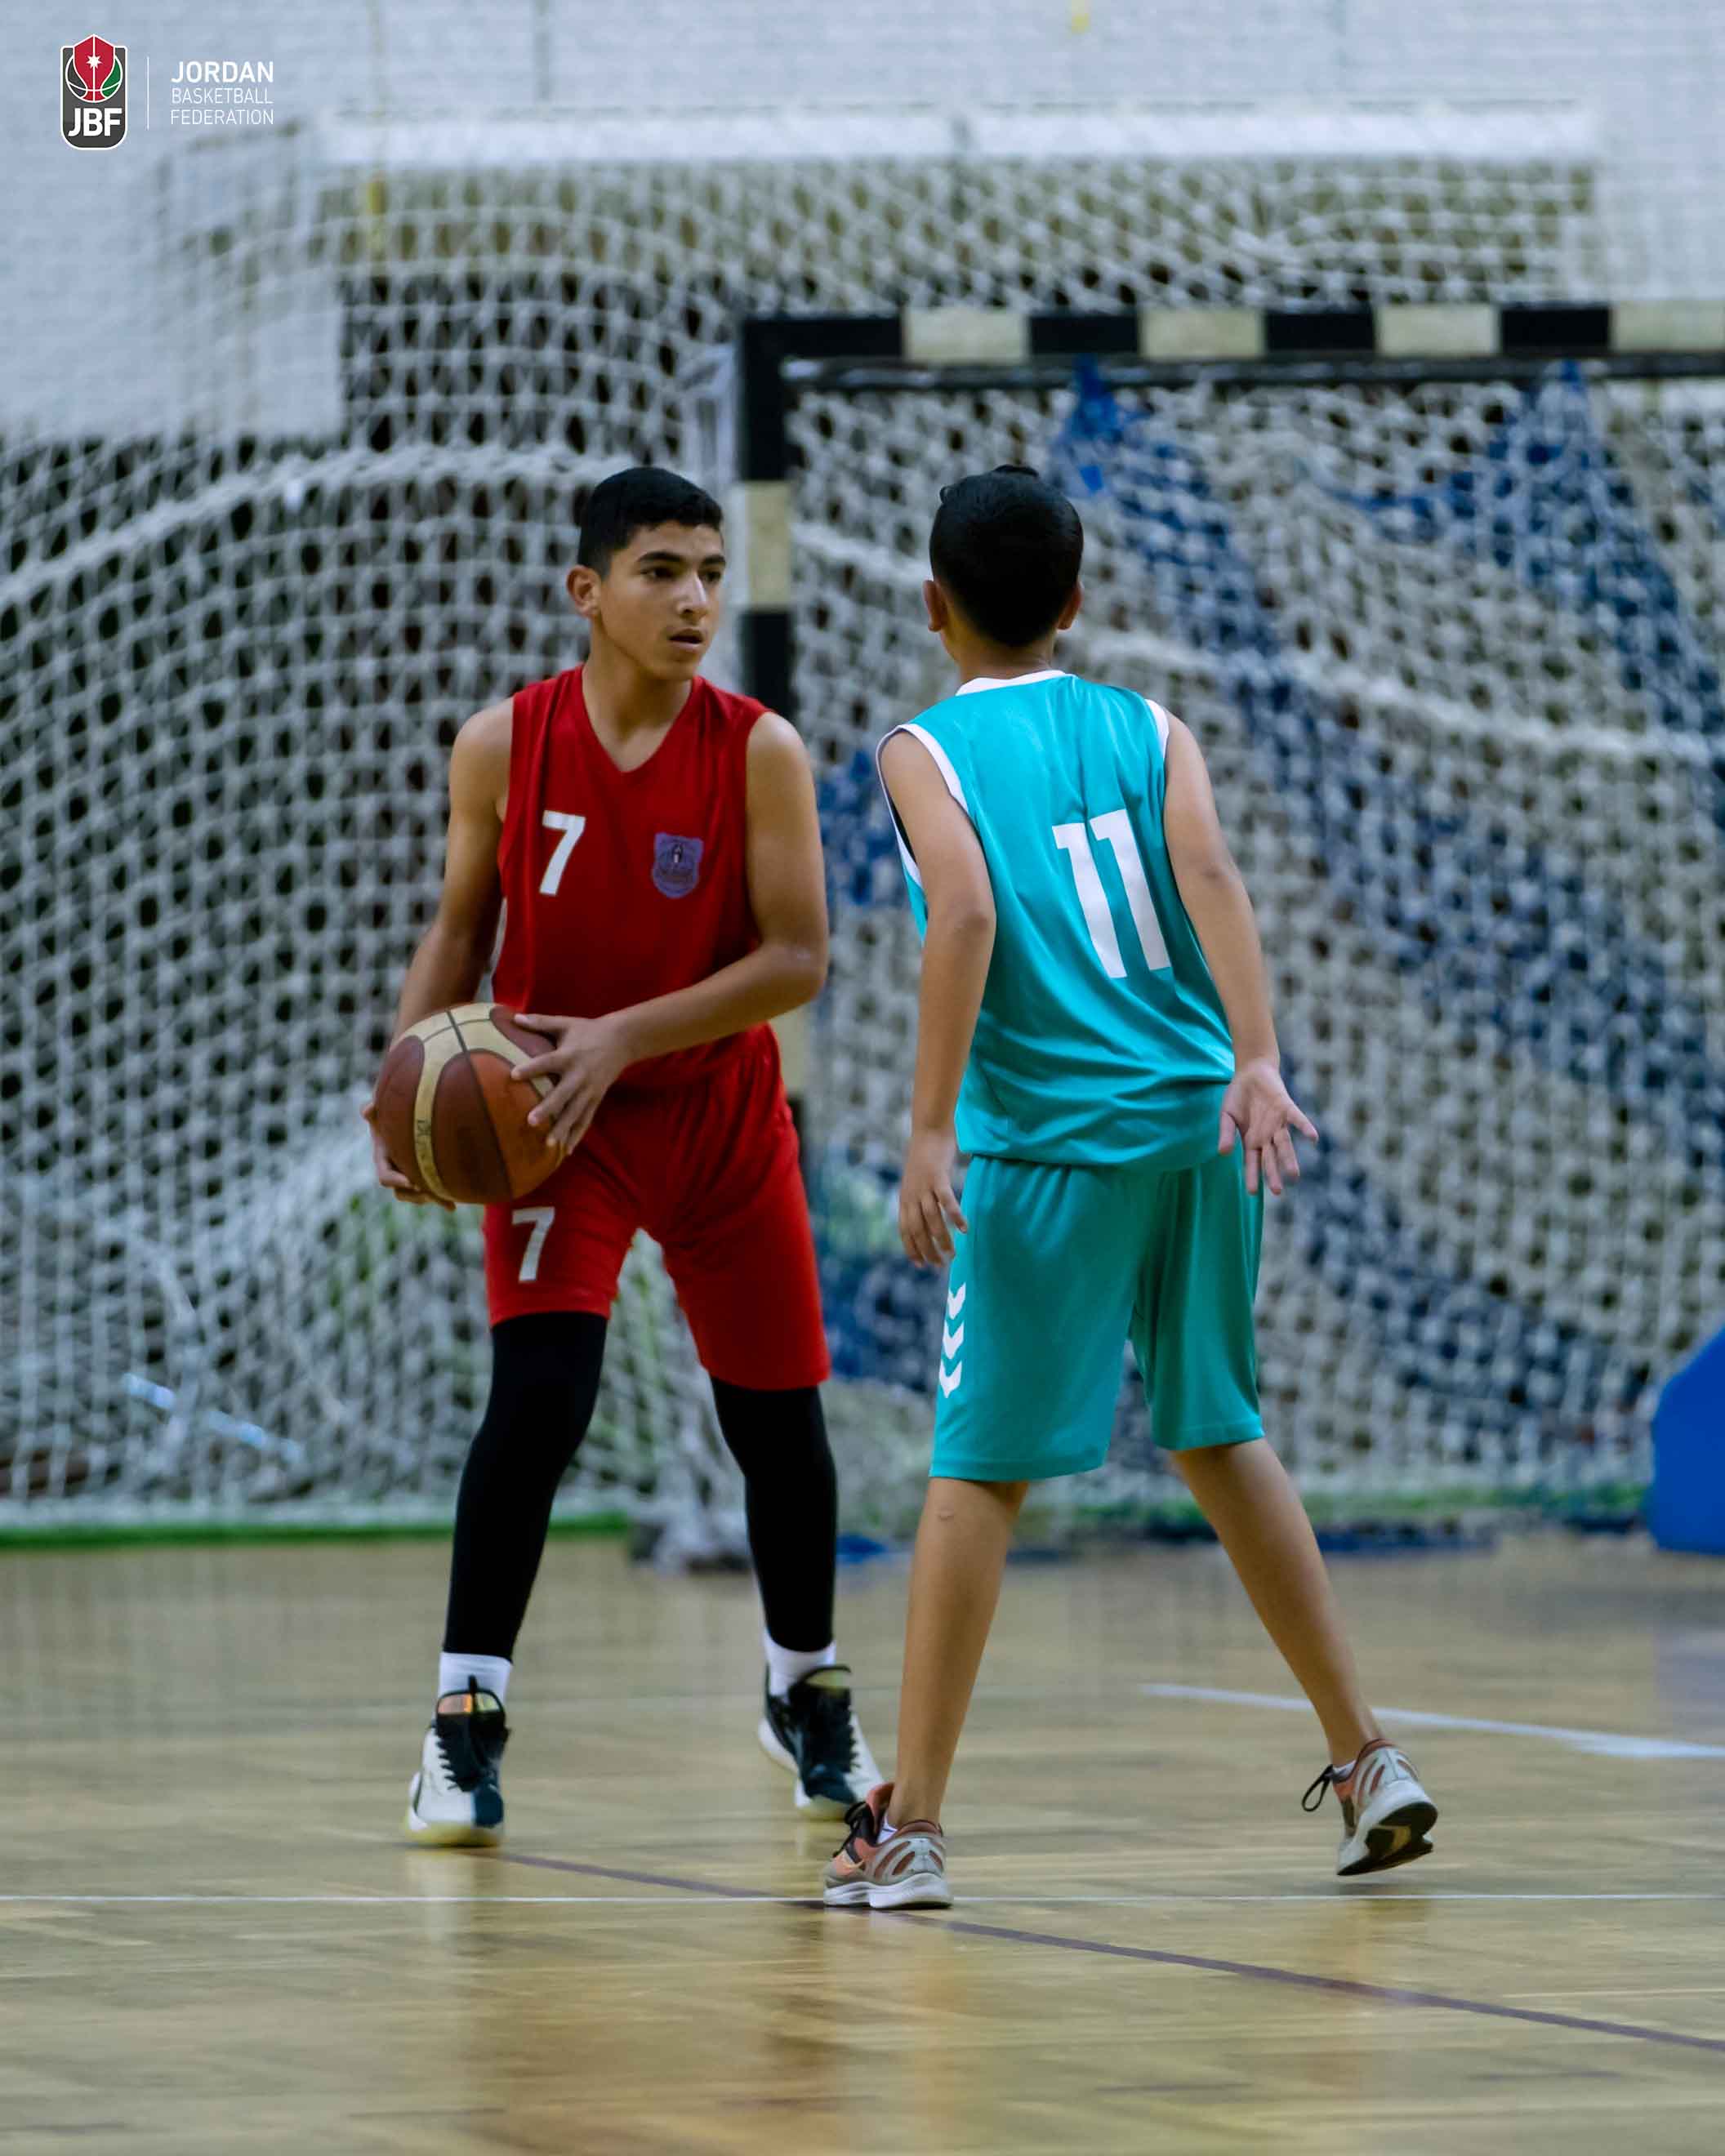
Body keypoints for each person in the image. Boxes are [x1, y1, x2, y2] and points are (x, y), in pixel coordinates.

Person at [822, 466, 1437, 1910]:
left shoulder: (921, 748)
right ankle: (1368, 1760)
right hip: (1202, 1123)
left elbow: (965, 914)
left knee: (977, 1472)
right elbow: (1212, 876)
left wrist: (928, 1131)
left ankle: (912, 1829)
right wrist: (1259, 1059)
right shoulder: (1153, 726)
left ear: (932, 605)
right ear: (1078, 602)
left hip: (1053, 1146)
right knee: (1222, 1432)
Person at [365, 466, 876, 1846]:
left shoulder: (758, 750)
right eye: (661, 571)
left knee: (778, 1423)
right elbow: (459, 926)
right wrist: (403, 1085)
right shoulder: (504, 744)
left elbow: (798, 959)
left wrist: (626, 1038)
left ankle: (802, 1688)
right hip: (547, 1117)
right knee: (541, 1397)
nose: (695, 599)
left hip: (714, 1113)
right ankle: (463, 1721)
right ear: (587, 591)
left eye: (709, 571)